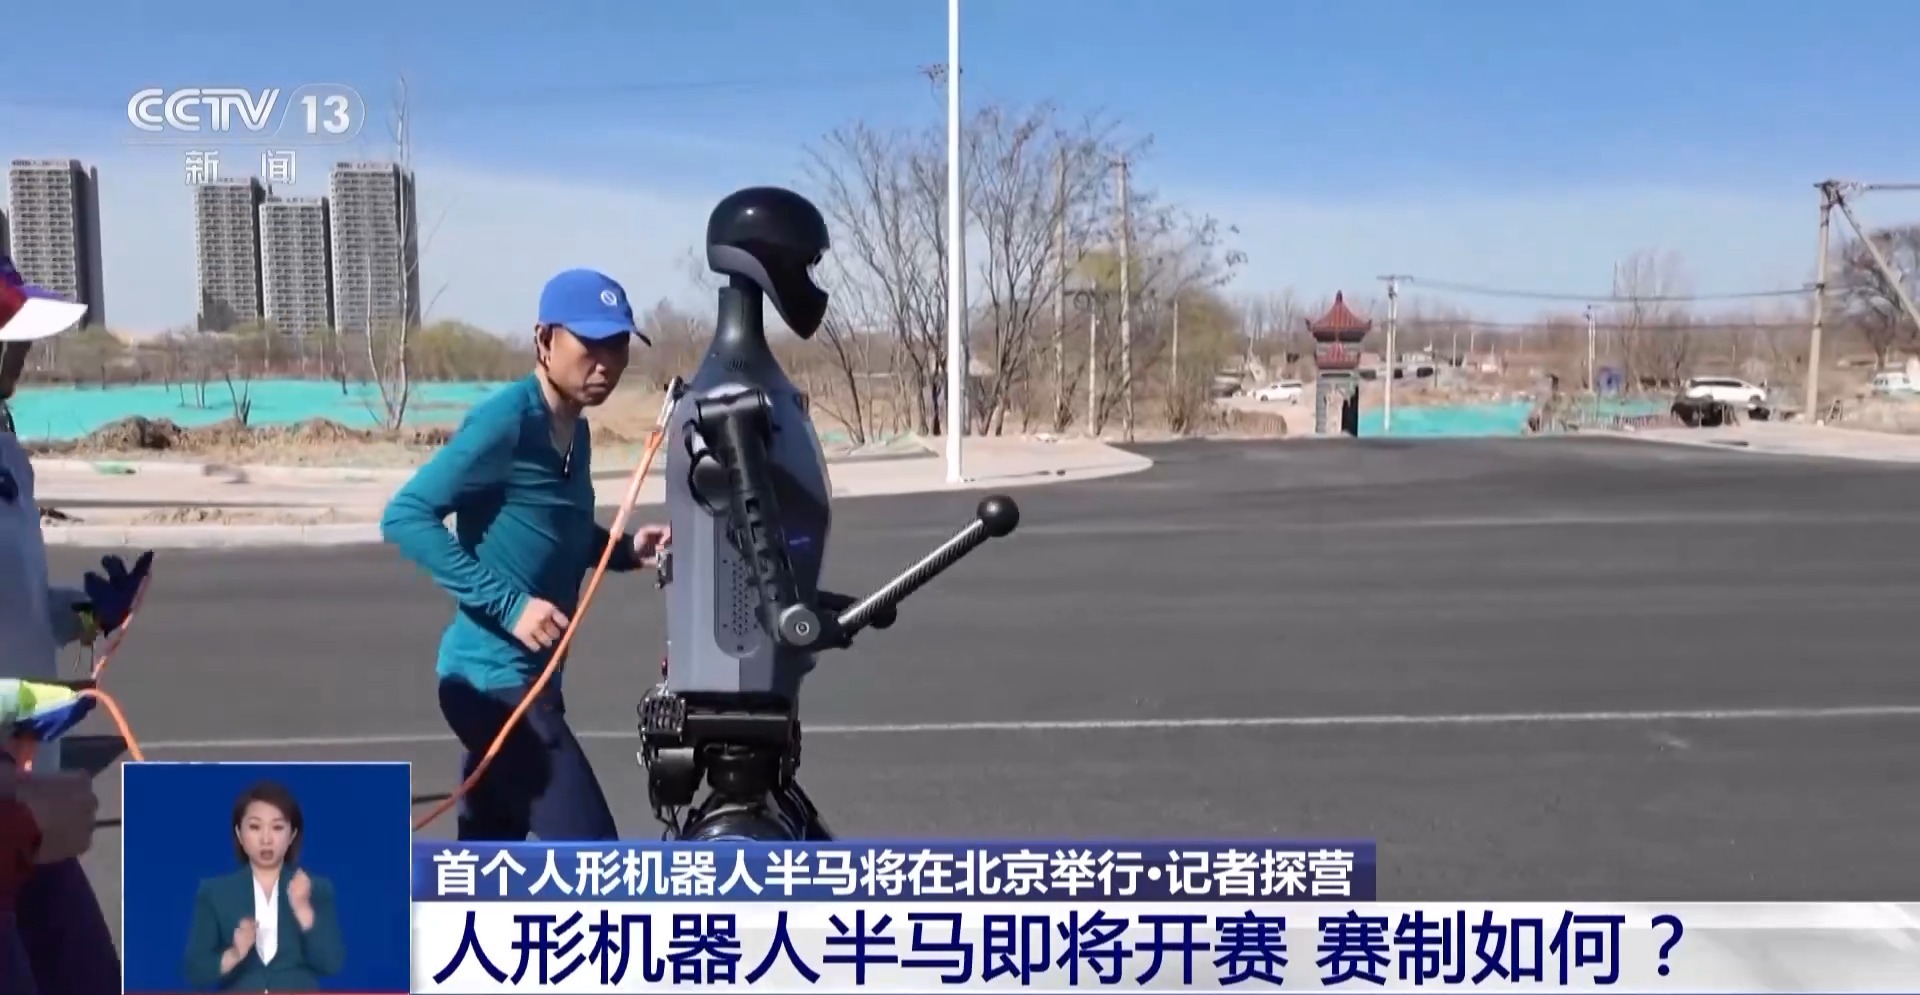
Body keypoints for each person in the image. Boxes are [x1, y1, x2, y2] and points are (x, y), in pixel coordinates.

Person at [382, 268, 669, 841]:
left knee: (488, 868)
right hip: (491, 685)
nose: (607, 362)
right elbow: (406, 516)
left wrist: (621, 550)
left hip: (533, 682)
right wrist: (511, 607)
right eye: (591, 343)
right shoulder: (506, 422)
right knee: (595, 860)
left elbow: (555, 526)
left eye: (618, 345)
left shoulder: (576, 433)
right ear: (544, 340)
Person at [0, 253, 144, 995]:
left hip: (35, 804)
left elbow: (21, 604)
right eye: (9, 334)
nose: (23, 350)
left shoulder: (7, 451)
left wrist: (90, 615)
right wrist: (21, 706)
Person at [182, 780, 344, 991]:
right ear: (239, 834)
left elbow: (331, 964)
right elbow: (195, 971)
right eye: (255, 827)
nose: (266, 839)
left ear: (292, 835)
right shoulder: (214, 893)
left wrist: (304, 911)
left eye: (277, 827)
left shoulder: (317, 889)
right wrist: (234, 954)